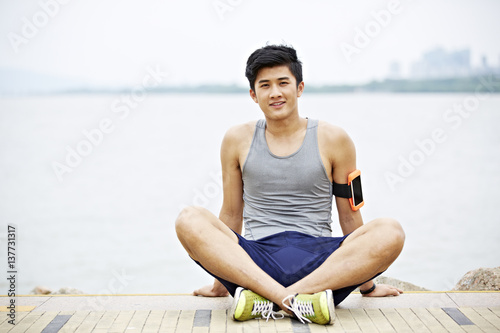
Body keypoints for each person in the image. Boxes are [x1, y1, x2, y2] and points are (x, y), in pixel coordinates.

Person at [175, 44, 405, 325]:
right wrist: (220, 282)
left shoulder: (335, 139)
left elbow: (349, 215)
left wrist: (367, 286)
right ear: (253, 94)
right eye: (265, 85)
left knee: (391, 231)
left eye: (283, 83)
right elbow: (232, 215)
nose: (275, 93)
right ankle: (295, 301)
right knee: (188, 218)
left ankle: (270, 299)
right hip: (256, 261)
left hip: (321, 262)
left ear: (299, 88)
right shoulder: (236, 140)